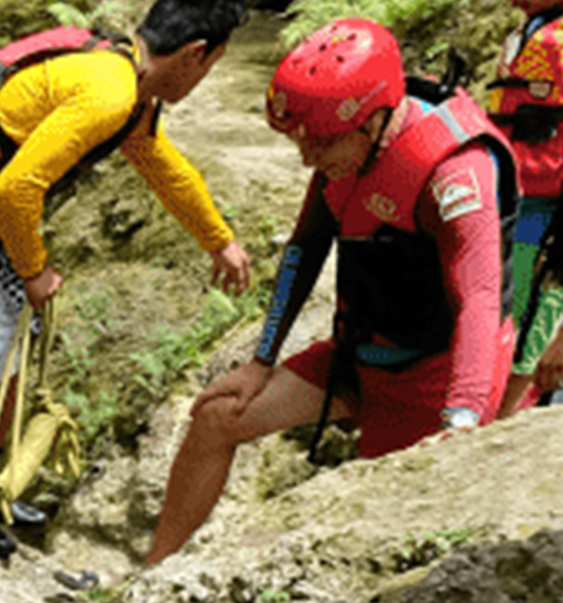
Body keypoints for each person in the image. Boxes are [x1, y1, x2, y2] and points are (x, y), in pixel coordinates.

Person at [0, 0, 256, 557]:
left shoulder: (115, 71)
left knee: (10, 351)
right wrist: (33, 271)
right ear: (195, 54)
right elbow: (16, 191)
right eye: (212, 66)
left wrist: (218, 239)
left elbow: (163, 166)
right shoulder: (109, 93)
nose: (205, 80)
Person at [146, 19, 514, 564]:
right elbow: (304, 249)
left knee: (386, 534)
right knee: (215, 416)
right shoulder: (344, 143)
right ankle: (151, 573)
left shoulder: (455, 172)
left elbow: (480, 295)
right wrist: (260, 361)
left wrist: (459, 419)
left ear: (373, 122)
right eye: (297, 140)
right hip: (358, 352)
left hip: (434, 377)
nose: (305, 158)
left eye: (318, 143)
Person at [487, 0, 563, 407]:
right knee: (508, 302)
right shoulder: (533, 28)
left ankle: (510, 409)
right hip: (515, 188)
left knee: (533, 309)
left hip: (546, 201)